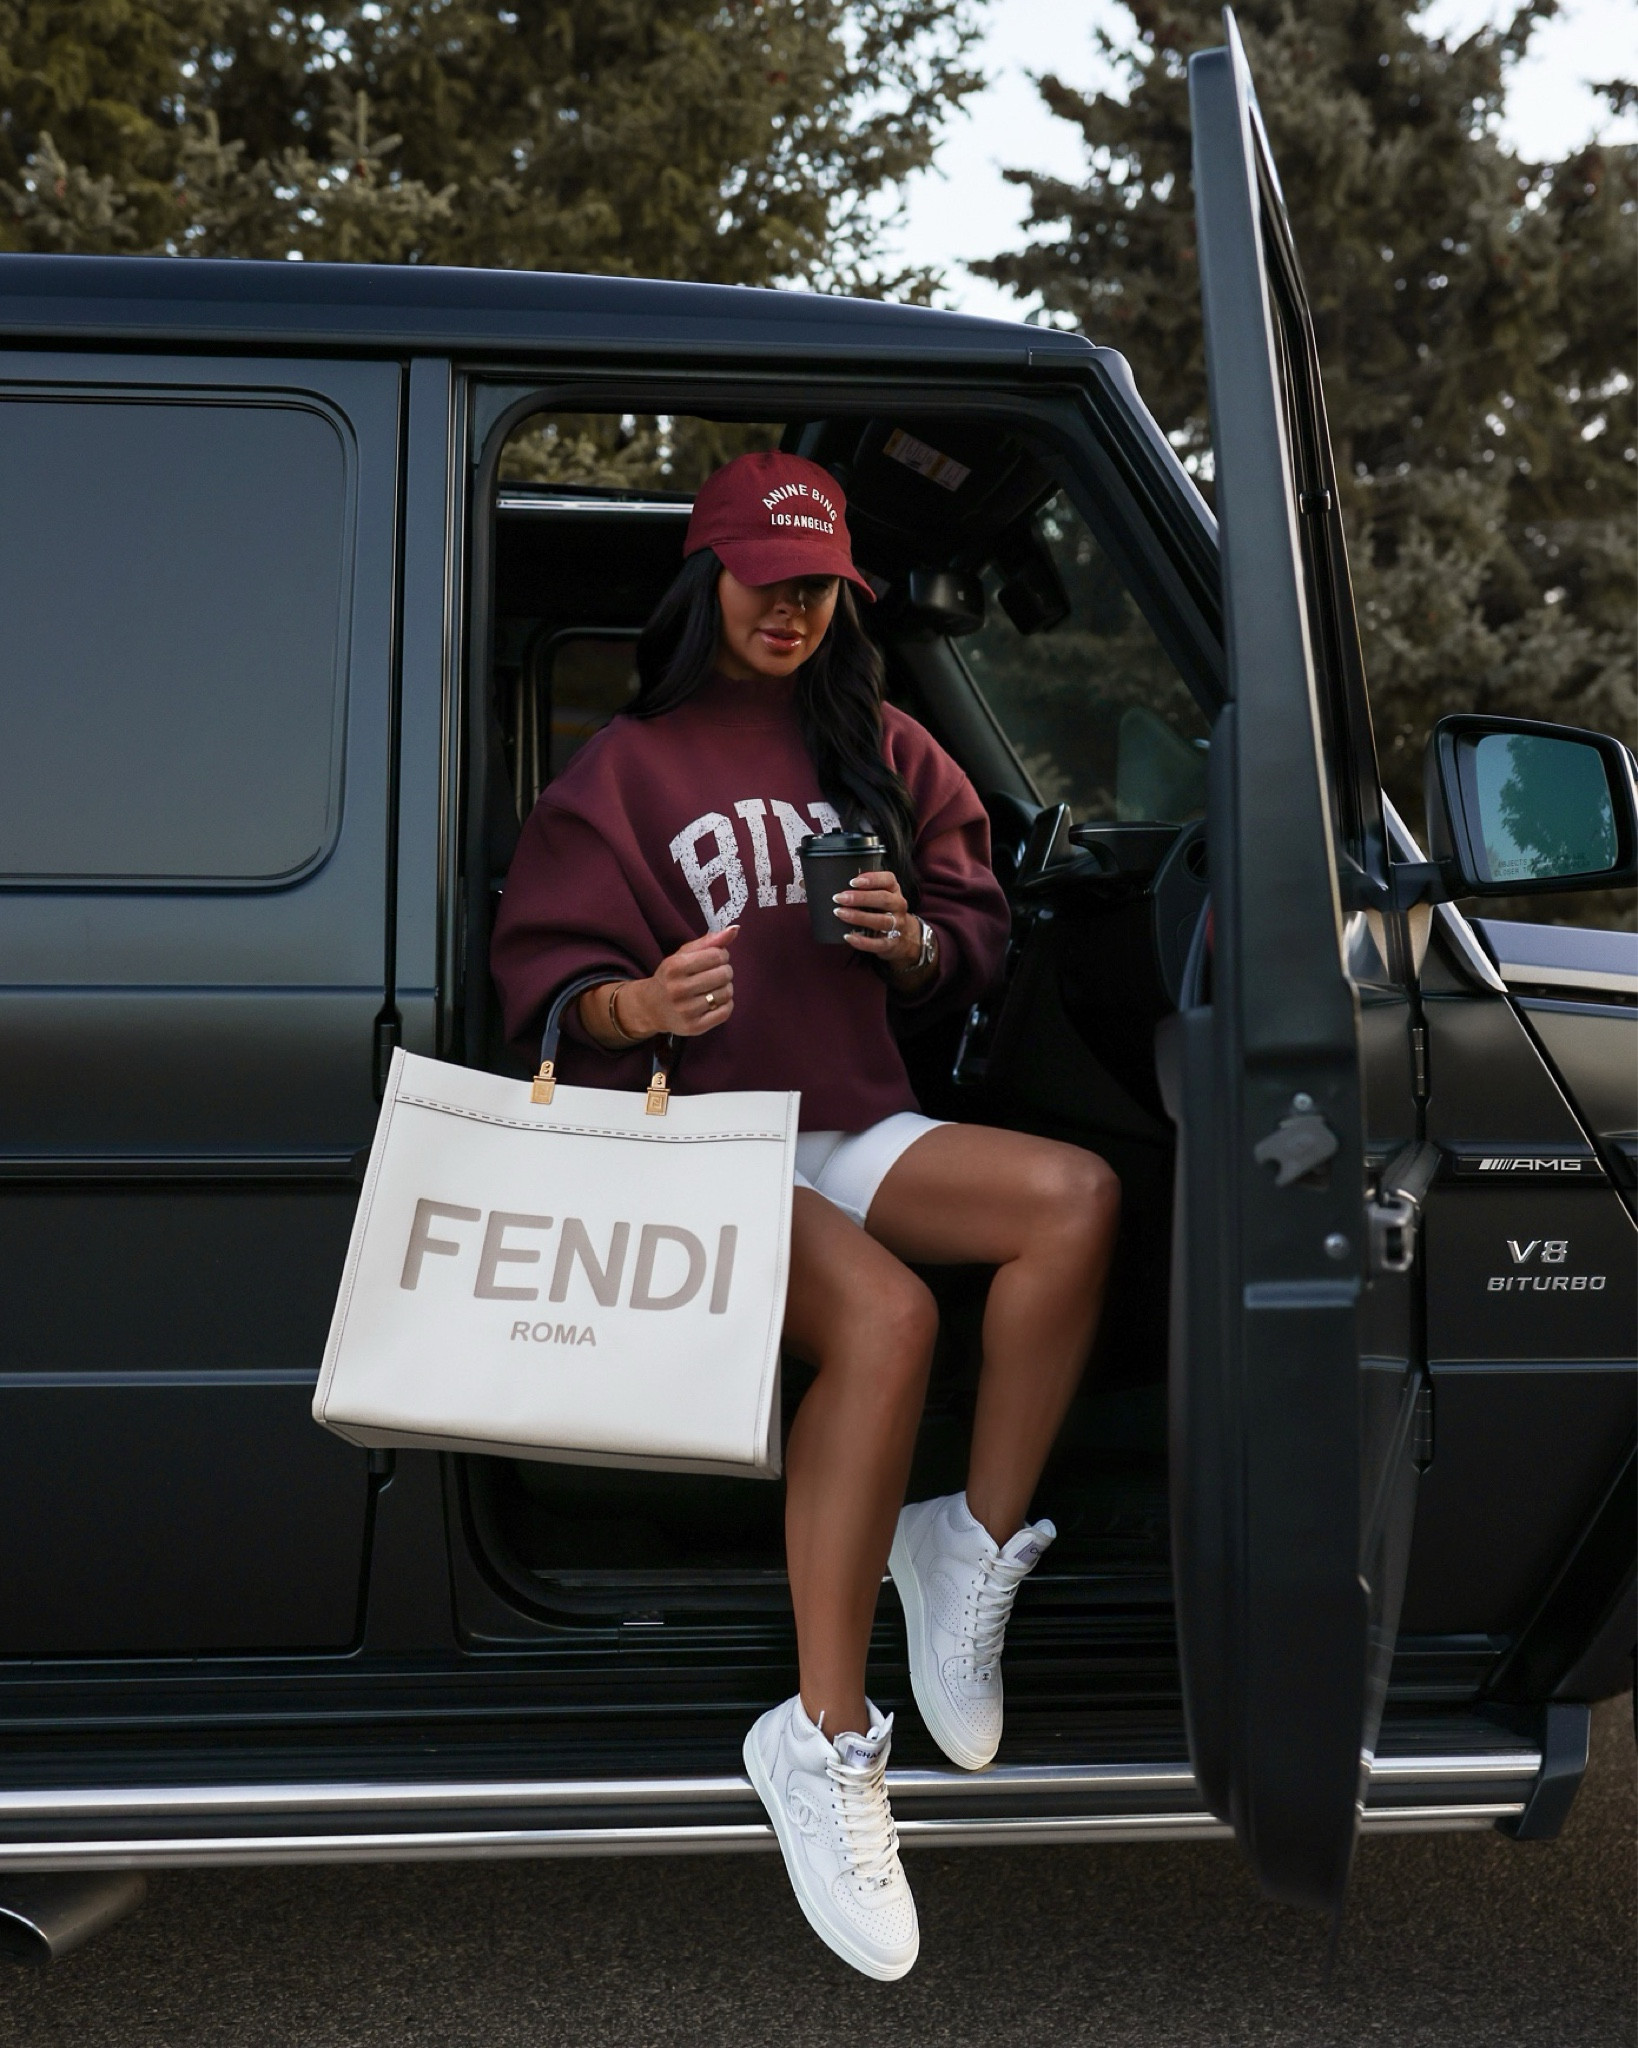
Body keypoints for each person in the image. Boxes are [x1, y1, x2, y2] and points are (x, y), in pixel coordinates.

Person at [491, 450, 1120, 1980]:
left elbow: (973, 932)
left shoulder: (886, 745)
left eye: (819, 585)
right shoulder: (624, 772)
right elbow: (541, 989)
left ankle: (960, 1544)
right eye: (767, 581)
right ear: (707, 579)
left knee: (1072, 1200)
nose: (792, 609)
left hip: (843, 1120)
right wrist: (636, 998)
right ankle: (821, 1732)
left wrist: (912, 944)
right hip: (694, 1140)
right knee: (889, 1318)